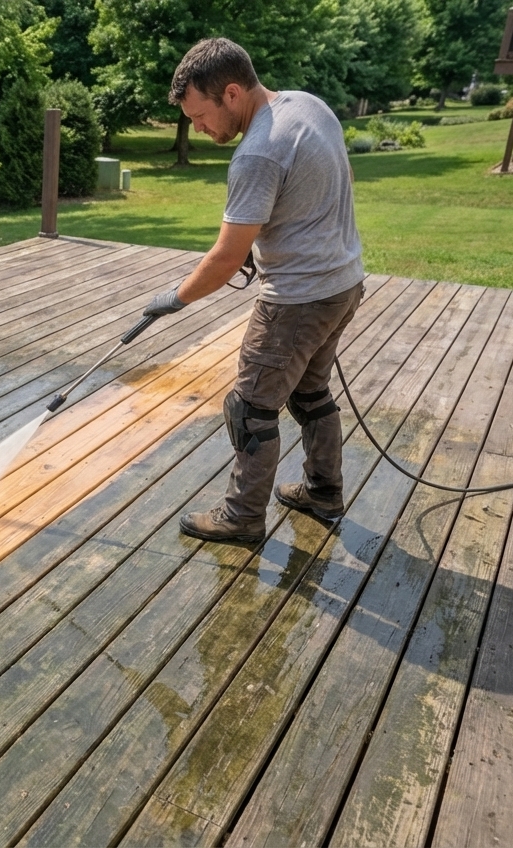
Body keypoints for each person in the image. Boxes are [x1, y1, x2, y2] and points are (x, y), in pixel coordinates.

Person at [142, 37, 365, 544]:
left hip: (297, 301)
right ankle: (323, 491)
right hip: (344, 285)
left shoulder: (256, 154)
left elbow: (221, 260)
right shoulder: (309, 105)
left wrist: (174, 298)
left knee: (249, 408)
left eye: (200, 116)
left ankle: (243, 517)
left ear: (233, 93)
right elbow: (320, 185)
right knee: (309, 393)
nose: (198, 129)